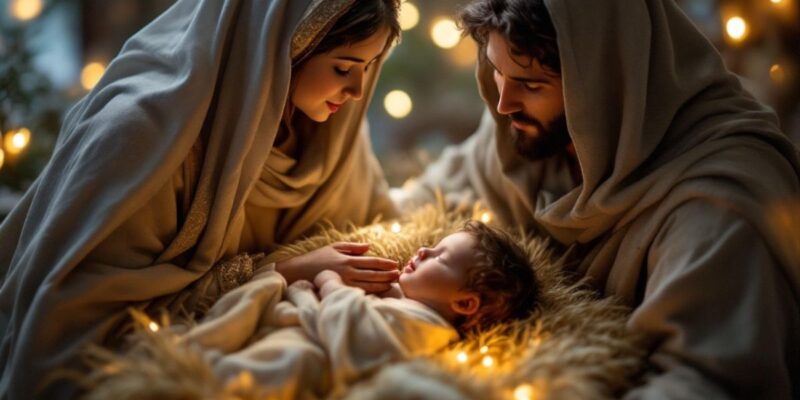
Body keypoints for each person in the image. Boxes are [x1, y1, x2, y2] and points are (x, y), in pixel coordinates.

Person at [393, 0, 800, 398]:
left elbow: (706, 383)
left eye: (531, 85)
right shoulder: (527, 134)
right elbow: (411, 202)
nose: (504, 104)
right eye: (497, 72)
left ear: (608, 86)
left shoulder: (720, 207)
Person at [0, 0, 405, 398]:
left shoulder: (328, 138)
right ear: (286, 46)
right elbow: (84, 327)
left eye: (369, 68)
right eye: (344, 68)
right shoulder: (140, 137)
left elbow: (383, 224)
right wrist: (282, 271)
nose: (356, 90)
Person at [179, 220, 538, 399]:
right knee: (262, 294)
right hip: (295, 319)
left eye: (440, 257)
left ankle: (214, 380)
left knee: (291, 358)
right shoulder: (401, 292)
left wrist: (330, 286)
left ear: (464, 302)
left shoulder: (425, 325)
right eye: (432, 245)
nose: (424, 251)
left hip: (312, 348)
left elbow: (357, 336)